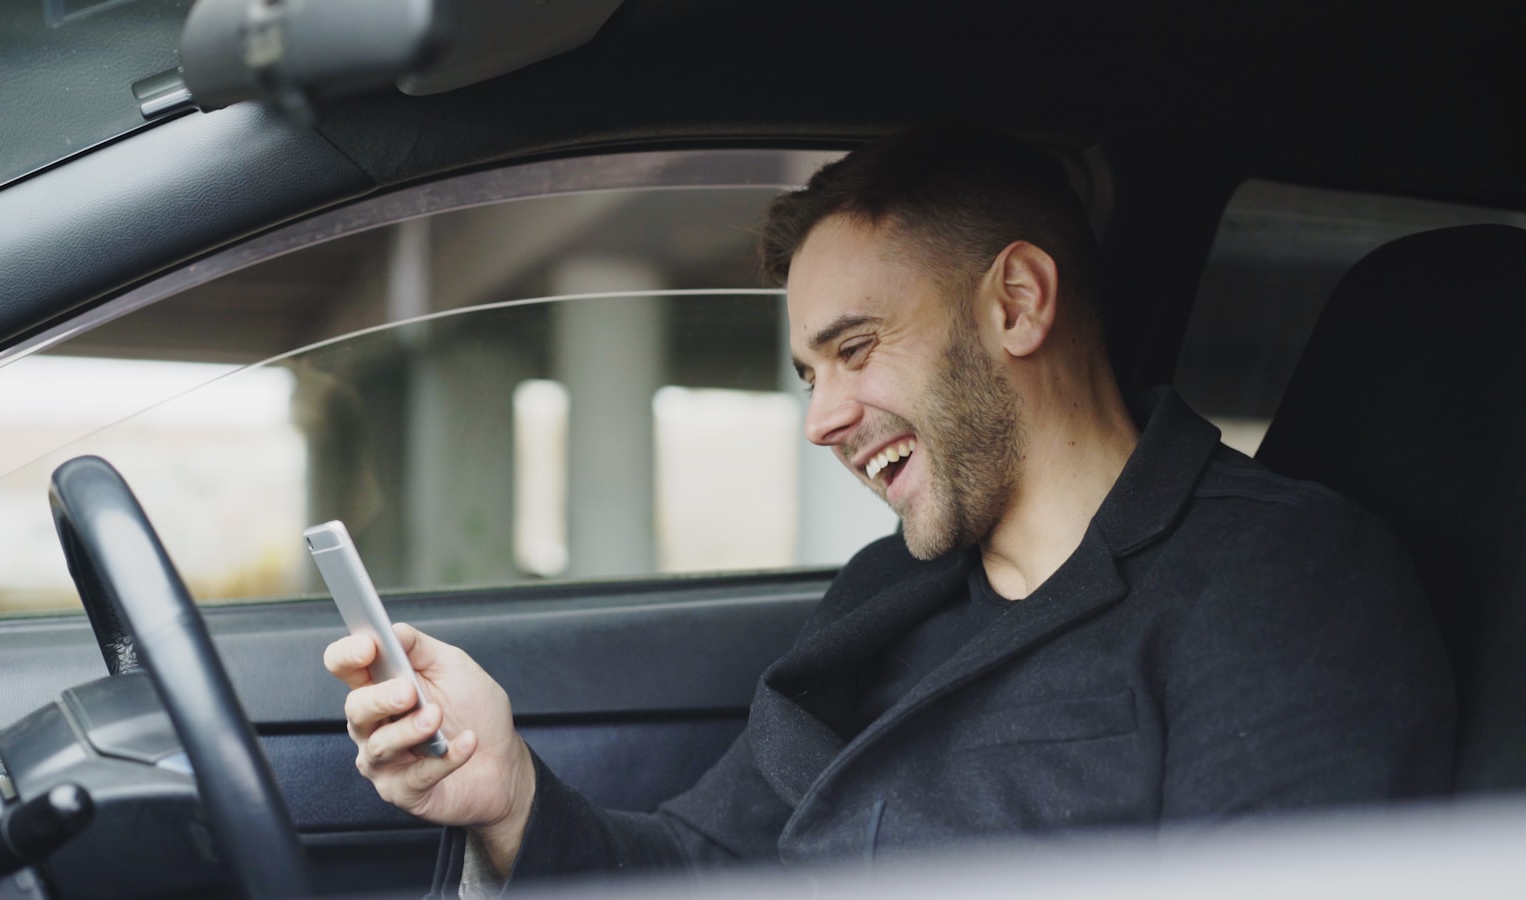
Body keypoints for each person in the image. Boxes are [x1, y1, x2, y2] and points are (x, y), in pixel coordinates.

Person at [324, 124, 1455, 896]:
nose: (821, 420)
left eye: (856, 349)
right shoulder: (884, 595)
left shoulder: (1283, 585)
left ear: (1018, 302)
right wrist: (510, 796)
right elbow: (704, 866)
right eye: (807, 376)